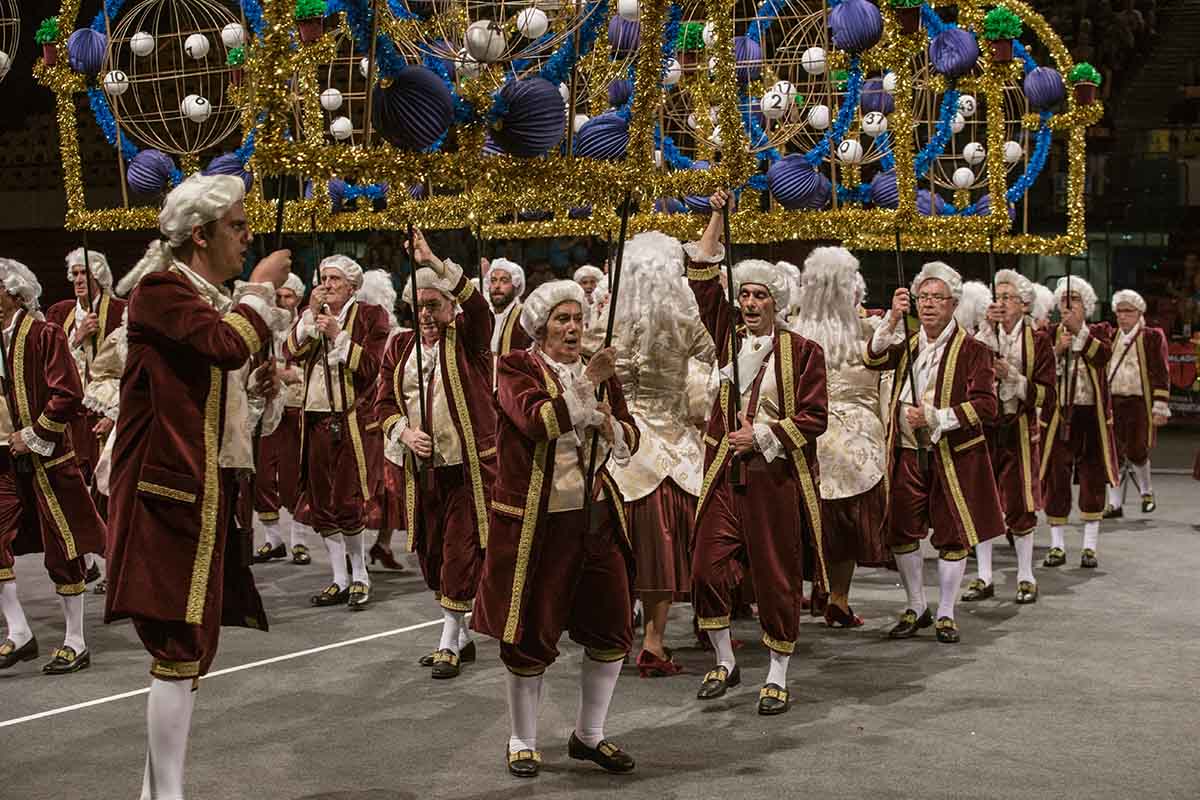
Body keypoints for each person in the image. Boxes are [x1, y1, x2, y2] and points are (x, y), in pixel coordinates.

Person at [103, 173, 291, 799]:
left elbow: (213, 376)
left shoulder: (204, 297)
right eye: (237, 226)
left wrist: (254, 394)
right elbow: (221, 345)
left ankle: (157, 791)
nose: (247, 236)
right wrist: (261, 289)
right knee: (179, 645)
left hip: (198, 492)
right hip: (166, 497)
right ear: (201, 234)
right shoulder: (161, 289)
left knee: (190, 650)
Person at [472, 280, 640, 777]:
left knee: (612, 628)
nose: (572, 328)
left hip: (595, 517)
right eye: (562, 319)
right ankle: (522, 738)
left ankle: (590, 735)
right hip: (537, 524)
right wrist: (588, 380)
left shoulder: (600, 373)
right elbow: (538, 420)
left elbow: (631, 435)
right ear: (540, 325)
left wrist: (610, 425)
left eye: (577, 318)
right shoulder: (517, 367)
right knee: (529, 634)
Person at [686, 191, 828, 714]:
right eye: (742, 294)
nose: (747, 304)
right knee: (705, 568)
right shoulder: (727, 336)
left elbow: (814, 419)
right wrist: (719, 217)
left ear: (776, 302)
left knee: (775, 575)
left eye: (758, 297)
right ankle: (724, 658)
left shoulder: (805, 352)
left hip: (775, 480)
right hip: (724, 474)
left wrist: (763, 435)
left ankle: (777, 673)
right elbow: (701, 273)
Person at [583, 231, 715, 677]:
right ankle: (659, 640)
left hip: (621, 440)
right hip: (674, 443)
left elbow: (587, 364)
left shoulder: (608, 316)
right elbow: (712, 363)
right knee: (672, 542)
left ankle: (617, 626)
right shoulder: (684, 317)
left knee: (623, 544)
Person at [375, 230, 496, 678]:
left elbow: (480, 309)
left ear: (449, 306)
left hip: (466, 470)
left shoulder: (469, 339)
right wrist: (404, 432)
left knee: (459, 552)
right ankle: (460, 636)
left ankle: (446, 640)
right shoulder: (399, 347)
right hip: (420, 471)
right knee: (429, 555)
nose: (426, 315)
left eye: (434, 305)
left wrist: (433, 259)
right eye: (420, 306)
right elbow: (382, 404)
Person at [865, 261, 1005, 644]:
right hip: (908, 453)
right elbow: (873, 357)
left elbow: (987, 407)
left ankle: (946, 611)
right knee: (902, 531)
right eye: (922, 297)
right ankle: (916, 605)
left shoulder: (974, 351)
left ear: (953, 303)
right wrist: (893, 318)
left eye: (937, 298)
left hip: (953, 455)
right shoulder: (907, 344)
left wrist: (937, 416)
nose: (928, 304)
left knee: (952, 533)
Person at [0, 258, 107, 675]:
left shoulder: (43, 335)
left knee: (64, 549)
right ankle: (20, 632)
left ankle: (75, 641)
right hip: (4, 461)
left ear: (12, 293)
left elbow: (67, 393)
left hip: (46, 456)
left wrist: (34, 433)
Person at [285, 255, 390, 609]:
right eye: (323, 278)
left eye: (334, 279)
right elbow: (291, 350)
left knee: (347, 500)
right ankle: (338, 578)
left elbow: (373, 366)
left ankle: (360, 574)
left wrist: (338, 336)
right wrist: (308, 320)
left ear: (351, 286)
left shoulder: (371, 316)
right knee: (321, 501)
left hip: (350, 420)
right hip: (313, 417)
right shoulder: (313, 314)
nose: (327, 285)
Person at [793, 247, 890, 628]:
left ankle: (831, 596)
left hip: (815, 436)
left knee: (817, 524)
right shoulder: (865, 330)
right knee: (842, 526)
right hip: (848, 444)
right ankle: (837, 597)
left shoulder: (798, 331)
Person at [967, 269, 1056, 604]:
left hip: (1018, 427)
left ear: (1024, 304)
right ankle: (984, 576)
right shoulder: (981, 336)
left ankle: (1025, 575)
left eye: (1008, 297)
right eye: (998, 296)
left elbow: (1047, 396)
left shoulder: (1039, 342)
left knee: (1020, 501)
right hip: (985, 428)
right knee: (983, 499)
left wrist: (1014, 378)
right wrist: (986, 332)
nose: (1001, 303)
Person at [45, 246, 127, 586]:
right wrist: (76, 337)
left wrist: (115, 413)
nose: (79, 280)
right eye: (75, 274)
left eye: (85, 274)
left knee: (108, 492)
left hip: (105, 413)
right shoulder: (60, 313)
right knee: (74, 491)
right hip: (70, 416)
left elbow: (130, 370)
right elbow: (47, 360)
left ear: (99, 277)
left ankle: (116, 569)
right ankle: (86, 558)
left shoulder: (120, 311)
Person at [1039, 276, 1119, 569]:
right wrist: (1058, 349)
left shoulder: (1100, 330)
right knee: (1056, 478)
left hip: (1090, 416)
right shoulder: (1048, 333)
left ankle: (1089, 547)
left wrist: (1079, 334)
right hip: (1060, 414)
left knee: (1092, 477)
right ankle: (1057, 545)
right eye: (1063, 301)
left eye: (1074, 301)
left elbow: (1103, 356)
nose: (1067, 306)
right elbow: (1039, 367)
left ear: (1086, 306)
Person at [252, 272, 310, 565]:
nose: (283, 302)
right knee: (262, 476)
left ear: (298, 298)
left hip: (297, 408)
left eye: (288, 296)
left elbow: (318, 369)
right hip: (267, 408)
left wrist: (290, 375)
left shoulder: (308, 324)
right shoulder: (265, 328)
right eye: (278, 296)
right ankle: (273, 539)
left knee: (293, 477)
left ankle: (299, 540)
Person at [1102, 289, 1170, 516]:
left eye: (1127, 311)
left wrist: (1160, 405)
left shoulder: (1152, 336)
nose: (1122, 316)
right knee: (1113, 453)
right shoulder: (1110, 336)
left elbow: (1161, 372)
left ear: (1139, 312)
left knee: (1137, 449)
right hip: (1113, 402)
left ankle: (1146, 491)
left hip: (1139, 403)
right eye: (1119, 311)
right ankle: (1115, 503)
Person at [485, 257, 532, 357]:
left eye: (504, 281)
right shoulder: (484, 317)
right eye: (493, 280)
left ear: (515, 285)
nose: (497, 286)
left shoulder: (525, 316)